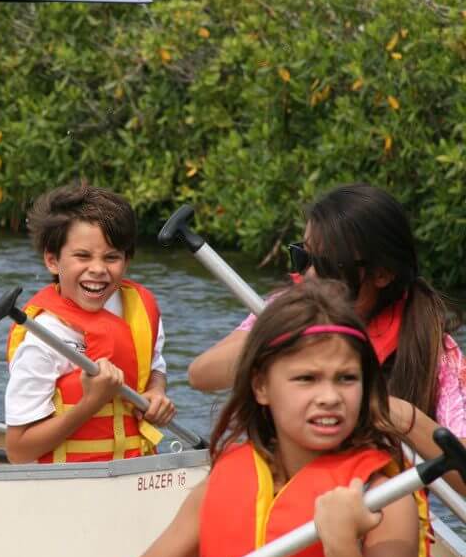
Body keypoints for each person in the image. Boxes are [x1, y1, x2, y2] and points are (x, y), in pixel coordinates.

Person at [102, 278, 430, 557]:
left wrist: (342, 545)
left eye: (346, 378)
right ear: (261, 386)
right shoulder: (221, 482)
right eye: (306, 379)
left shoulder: (385, 500)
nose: (330, 398)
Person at [188, 184, 466, 491]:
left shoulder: (433, 349)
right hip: (284, 493)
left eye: (326, 265)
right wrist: (285, 331)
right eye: (303, 257)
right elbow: (201, 375)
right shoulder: (286, 308)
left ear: (382, 274)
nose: (308, 277)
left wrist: (400, 415)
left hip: (374, 504)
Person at [2, 185, 175, 464]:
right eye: (82, 256)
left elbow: (154, 367)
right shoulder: (43, 338)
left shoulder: (138, 312)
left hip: (135, 471)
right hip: (67, 483)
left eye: (111, 257)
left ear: (126, 261)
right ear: (52, 260)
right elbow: (19, 450)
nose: (98, 269)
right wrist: (91, 402)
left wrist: (156, 391)